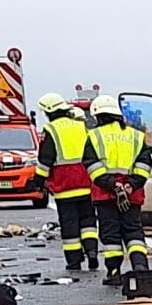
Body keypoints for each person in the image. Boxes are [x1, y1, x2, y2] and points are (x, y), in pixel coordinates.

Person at [81, 96, 152, 283]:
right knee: (134, 231)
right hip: (132, 194)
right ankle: (141, 267)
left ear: (99, 116)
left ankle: (114, 273)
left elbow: (92, 166)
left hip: (106, 194)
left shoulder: (94, 136)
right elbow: (144, 164)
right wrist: (131, 184)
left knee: (110, 233)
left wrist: (113, 185)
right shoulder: (136, 135)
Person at [35, 93, 99, 273]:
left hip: (65, 186)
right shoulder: (81, 126)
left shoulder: (51, 129)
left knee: (69, 224)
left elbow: (45, 159)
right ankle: (92, 252)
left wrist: (38, 181)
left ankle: (74, 261)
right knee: (88, 221)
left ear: (48, 112)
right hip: (86, 181)